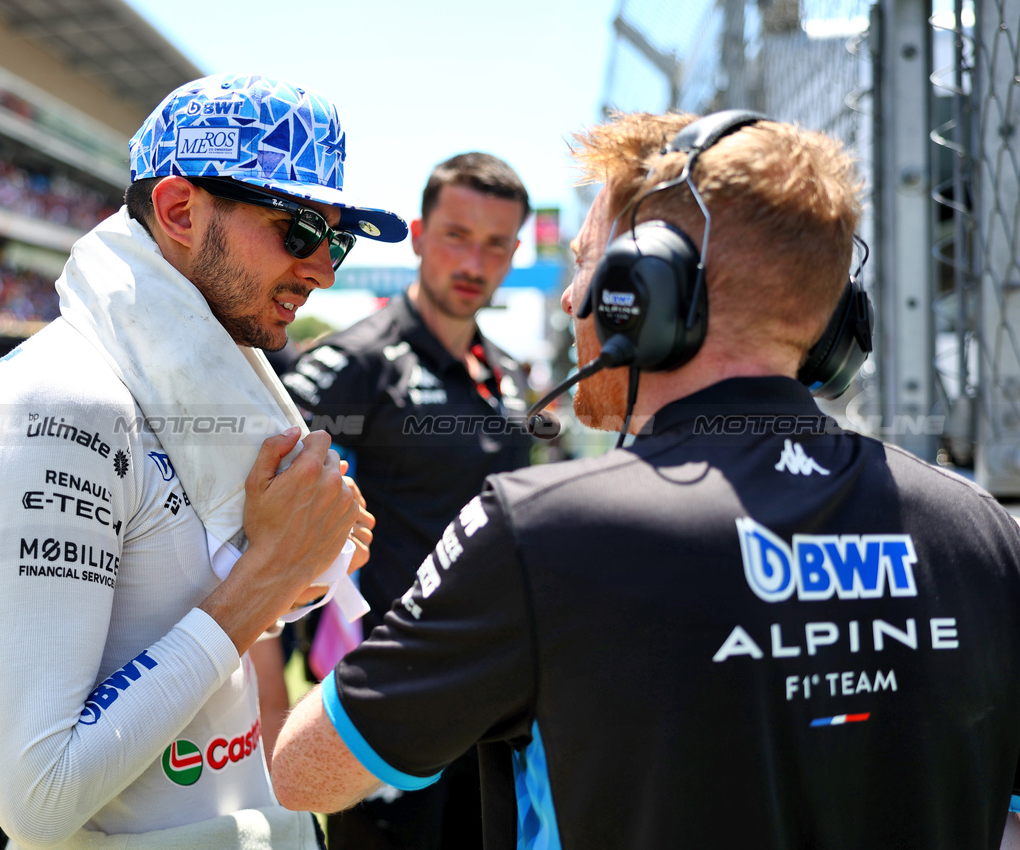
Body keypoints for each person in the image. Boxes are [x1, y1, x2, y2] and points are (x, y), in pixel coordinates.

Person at [270, 111, 1020, 849]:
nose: (569, 300)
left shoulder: (544, 532)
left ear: (644, 292)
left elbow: (305, 774)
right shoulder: (981, 531)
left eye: (586, 263)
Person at [0, 74, 396, 849]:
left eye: (338, 241)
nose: (324, 271)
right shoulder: (62, 402)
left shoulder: (172, 385)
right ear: (181, 210)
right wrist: (270, 573)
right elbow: (37, 801)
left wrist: (297, 559)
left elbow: (153, 606)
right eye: (302, 229)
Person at [280, 152, 533, 849]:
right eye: (456, 235)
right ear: (419, 236)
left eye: (493, 244)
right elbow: (261, 501)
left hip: (497, 700)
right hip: (389, 698)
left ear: (514, 253)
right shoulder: (355, 362)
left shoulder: (507, 377)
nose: (472, 261)